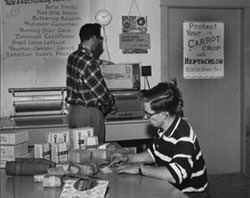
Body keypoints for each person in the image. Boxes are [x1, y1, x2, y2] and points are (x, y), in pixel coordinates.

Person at [111, 80, 209, 198]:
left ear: (163, 114)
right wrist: (128, 157)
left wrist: (140, 169)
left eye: (149, 114)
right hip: (171, 187)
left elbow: (174, 174)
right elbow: (154, 154)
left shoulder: (184, 136)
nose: (146, 118)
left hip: (191, 194)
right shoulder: (162, 128)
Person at [65, 23, 116, 144]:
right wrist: (112, 104)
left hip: (74, 113)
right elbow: (101, 93)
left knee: (79, 153)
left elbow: (82, 71)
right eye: (98, 39)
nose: (99, 43)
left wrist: (101, 62)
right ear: (93, 38)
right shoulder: (89, 62)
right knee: (95, 155)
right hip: (89, 114)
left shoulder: (72, 57)